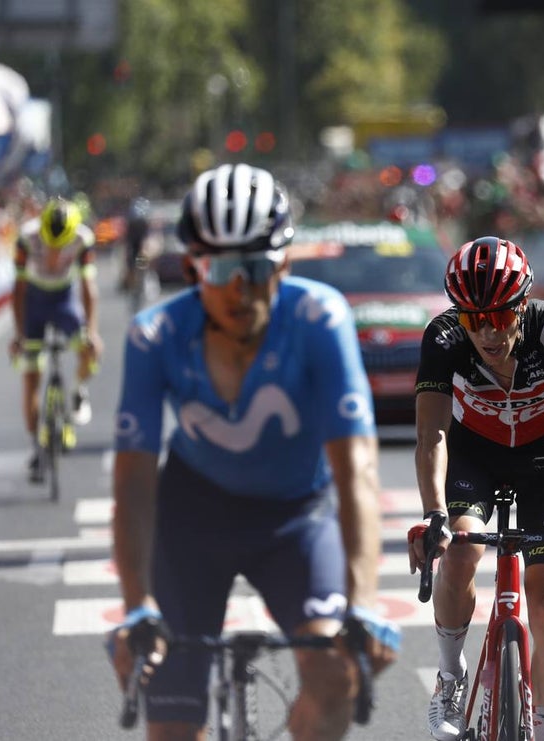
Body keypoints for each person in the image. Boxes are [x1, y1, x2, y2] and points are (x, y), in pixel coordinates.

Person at [107, 163, 399, 741]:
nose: (241, 289)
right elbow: (135, 482)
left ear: (286, 262)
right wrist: (136, 605)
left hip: (296, 514)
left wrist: (363, 603)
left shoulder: (320, 319)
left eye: (258, 267)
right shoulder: (155, 334)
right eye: (221, 268)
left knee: (335, 672)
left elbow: (358, 470)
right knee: (169, 719)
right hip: (191, 518)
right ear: (193, 266)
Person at [407, 236, 544, 741]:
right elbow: (431, 434)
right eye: (472, 318)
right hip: (474, 455)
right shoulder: (443, 338)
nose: (485, 331)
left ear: (522, 306)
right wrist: (432, 512)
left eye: (499, 318)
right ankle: (450, 676)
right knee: (459, 552)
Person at [10, 196, 101, 481]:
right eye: (50, 244)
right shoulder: (26, 238)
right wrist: (19, 334)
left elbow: (88, 287)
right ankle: (37, 446)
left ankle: (78, 391)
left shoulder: (83, 239)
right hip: (33, 301)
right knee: (30, 376)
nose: (53, 252)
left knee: (90, 349)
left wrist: (93, 332)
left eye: (60, 245)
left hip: (64, 299)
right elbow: (18, 290)